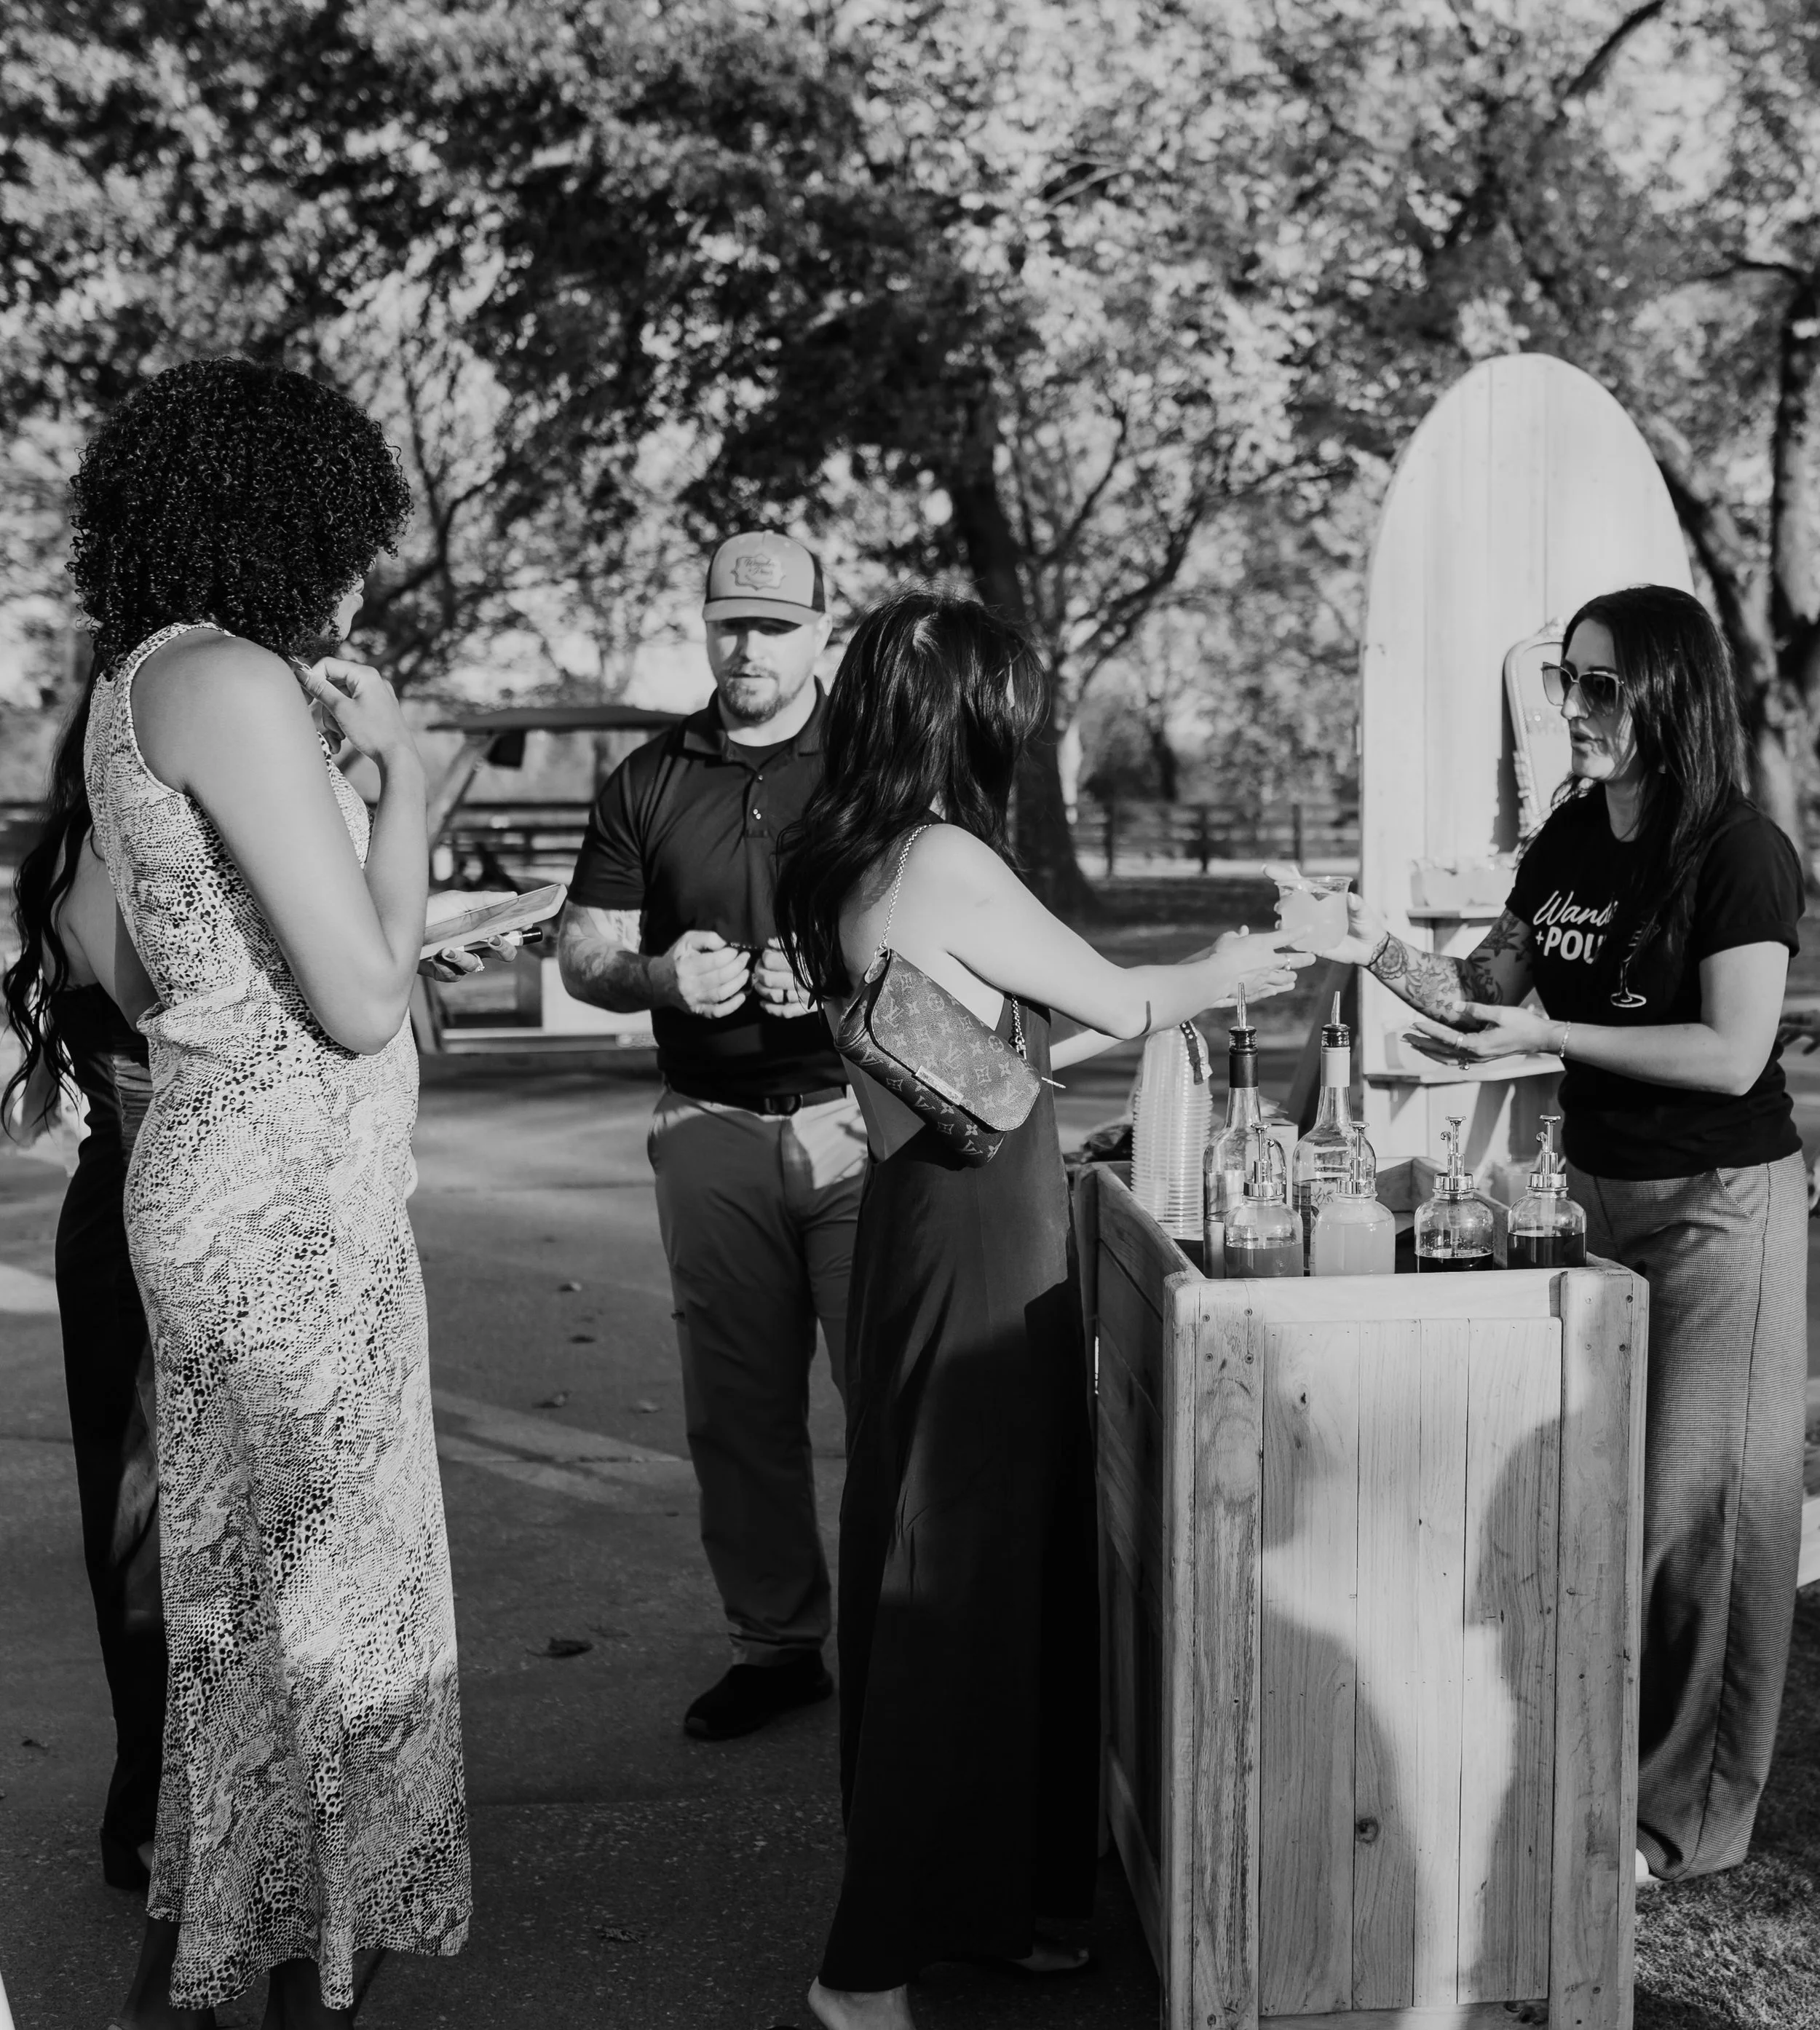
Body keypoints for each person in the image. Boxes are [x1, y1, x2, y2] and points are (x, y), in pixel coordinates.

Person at [772, 587, 1313, 2030]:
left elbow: (997, 1040)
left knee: (999, 1564)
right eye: (1010, 705)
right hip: (973, 1237)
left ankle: (993, 1899)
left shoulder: (861, 850)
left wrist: (1161, 994)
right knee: (948, 1571)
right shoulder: (938, 850)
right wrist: (1227, 971)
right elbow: (1119, 1001)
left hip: (945, 1213)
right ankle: (862, 1960)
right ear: (965, 714)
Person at [76, 357, 470, 2028]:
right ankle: (295, 1979)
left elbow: (99, 942)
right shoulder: (236, 679)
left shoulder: (129, 683)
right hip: (286, 1212)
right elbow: (369, 997)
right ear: (283, 516)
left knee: (244, 1624)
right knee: (339, 1626)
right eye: (350, 536)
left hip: (221, 1176)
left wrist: (212, 1001)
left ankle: (229, 1959)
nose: (361, 572)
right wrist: (405, 797)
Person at [1314, 583, 1806, 1889]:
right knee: (1602, 1496)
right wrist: (1369, 946)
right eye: (1562, 682)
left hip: (1718, 1206)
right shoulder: (1572, 835)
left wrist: (1549, 1040)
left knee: (1705, 1515)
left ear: (1671, 695)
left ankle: (1684, 1818)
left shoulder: (1739, 851)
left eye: (1598, 686)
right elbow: (1488, 991)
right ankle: (1595, 1753)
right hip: (1592, 1197)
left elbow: (1734, 1050)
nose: (1571, 709)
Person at [558, 531, 868, 1742]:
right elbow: (584, 951)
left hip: (861, 1123)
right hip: (708, 1125)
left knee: (886, 1399)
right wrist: (656, 974)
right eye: (732, 622)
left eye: (777, 625)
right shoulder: (649, 778)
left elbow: (952, 928)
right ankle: (777, 1646)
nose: (750, 645)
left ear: (822, 636)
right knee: (735, 1411)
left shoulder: (873, 767)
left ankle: (914, 1637)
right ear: (705, 625)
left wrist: (840, 976)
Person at [3, 762, 165, 1895]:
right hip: (145, 1213)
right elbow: (190, 1040)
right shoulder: (102, 850)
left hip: (212, 1208)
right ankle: (157, 1812)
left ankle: (203, 1813)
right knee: (148, 1527)